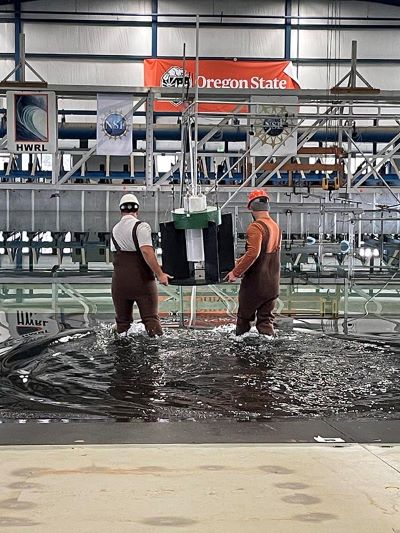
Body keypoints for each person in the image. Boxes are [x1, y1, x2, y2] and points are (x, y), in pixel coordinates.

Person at [111, 194, 172, 337]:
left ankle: (121, 357)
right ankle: (155, 356)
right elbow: (146, 251)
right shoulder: (141, 226)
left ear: (121, 210)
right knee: (151, 320)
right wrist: (160, 274)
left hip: (119, 283)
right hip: (141, 281)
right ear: (137, 209)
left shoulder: (115, 229)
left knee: (122, 324)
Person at [226, 189, 281, 336]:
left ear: (250, 207)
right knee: (265, 322)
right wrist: (239, 261)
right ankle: (269, 356)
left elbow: (253, 254)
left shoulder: (256, 227)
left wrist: (235, 273)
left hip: (255, 285)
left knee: (243, 322)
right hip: (272, 285)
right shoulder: (275, 226)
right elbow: (265, 253)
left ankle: (241, 357)